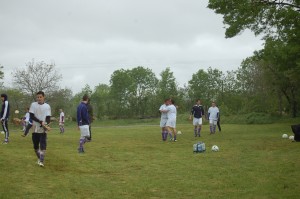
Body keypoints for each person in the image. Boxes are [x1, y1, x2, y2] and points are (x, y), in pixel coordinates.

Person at [29, 91, 51, 167]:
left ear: (43, 97)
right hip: (35, 128)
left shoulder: (47, 106)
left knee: (43, 145)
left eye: (40, 97)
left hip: (43, 129)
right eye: (38, 97)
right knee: (35, 146)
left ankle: (41, 161)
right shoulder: (33, 105)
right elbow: (31, 116)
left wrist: (46, 124)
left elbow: (48, 117)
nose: (39, 98)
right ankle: (39, 158)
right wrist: (40, 121)